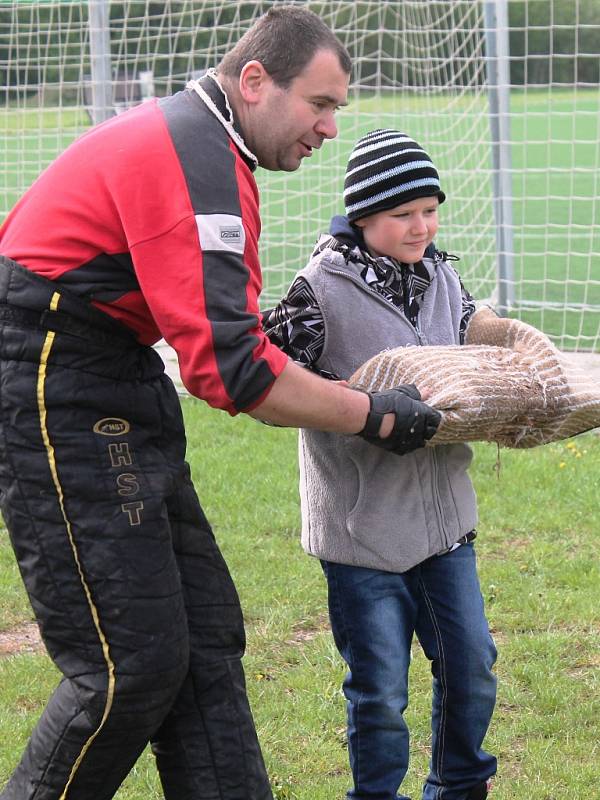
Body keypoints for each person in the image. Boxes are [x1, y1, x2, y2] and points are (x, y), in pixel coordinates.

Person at [0, 7, 442, 800]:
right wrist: (375, 413)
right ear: (254, 81)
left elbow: (222, 337)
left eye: (337, 108)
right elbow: (236, 376)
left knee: (205, 646)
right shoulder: (196, 161)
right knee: (126, 667)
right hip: (47, 375)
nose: (330, 129)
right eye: (320, 104)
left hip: (111, 370)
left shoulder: (213, 148)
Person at [262, 129, 498, 800]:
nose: (422, 226)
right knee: (378, 691)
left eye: (430, 209)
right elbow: (273, 385)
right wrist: (363, 409)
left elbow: (470, 332)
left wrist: (509, 343)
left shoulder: (442, 276)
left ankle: (458, 788)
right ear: (363, 216)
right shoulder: (318, 293)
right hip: (362, 538)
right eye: (404, 214)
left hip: (445, 527)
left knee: (472, 667)